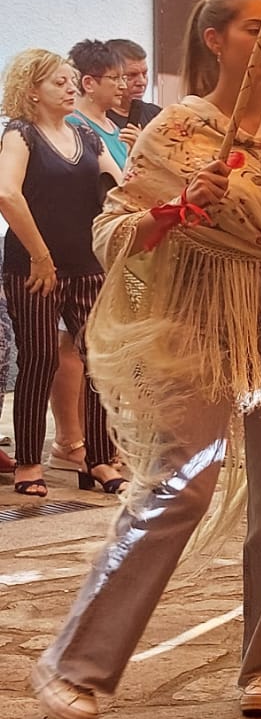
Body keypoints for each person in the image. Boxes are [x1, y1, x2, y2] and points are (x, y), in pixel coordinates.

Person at [29, 0, 261, 719]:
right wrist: (175, 206)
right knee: (178, 487)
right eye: (257, 28)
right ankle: (77, 667)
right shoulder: (176, 131)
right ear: (215, 41)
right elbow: (114, 227)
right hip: (198, 307)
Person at [0, 49, 126, 498]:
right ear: (32, 90)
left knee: (99, 362)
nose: (71, 87)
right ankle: (29, 462)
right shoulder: (21, 134)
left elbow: (122, 190)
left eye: (72, 80)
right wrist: (40, 256)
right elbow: (8, 195)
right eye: (59, 82)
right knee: (40, 359)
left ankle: (98, 460)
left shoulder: (87, 138)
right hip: (34, 269)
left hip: (86, 267)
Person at [64, 40, 134, 171]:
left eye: (123, 78)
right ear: (89, 83)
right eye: (114, 78)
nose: (123, 86)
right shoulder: (73, 126)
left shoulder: (114, 128)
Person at [110, 38, 160, 130]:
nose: (142, 82)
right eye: (131, 75)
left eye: (144, 74)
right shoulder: (101, 120)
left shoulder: (157, 116)